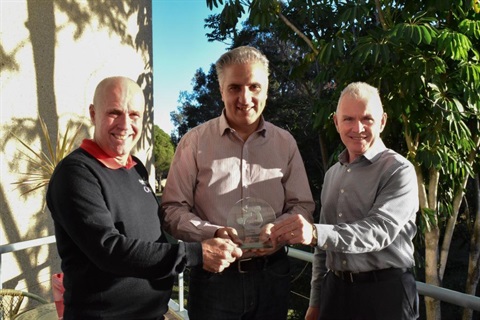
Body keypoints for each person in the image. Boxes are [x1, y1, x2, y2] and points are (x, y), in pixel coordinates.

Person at [46, 76, 242, 320]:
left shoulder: (136, 167)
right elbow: (108, 249)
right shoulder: (76, 173)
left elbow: (153, 235)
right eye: (115, 112)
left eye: (134, 115)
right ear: (93, 114)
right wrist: (197, 254)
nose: (125, 124)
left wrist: (210, 234)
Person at [161, 46, 315, 320]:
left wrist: (279, 230)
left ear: (266, 90)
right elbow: (172, 210)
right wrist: (212, 232)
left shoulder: (285, 143)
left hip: (273, 276)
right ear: (221, 90)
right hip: (214, 279)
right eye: (234, 87)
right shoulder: (194, 142)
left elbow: (301, 205)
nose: (245, 98)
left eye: (254, 86)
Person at [271, 82, 419, 320]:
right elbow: (322, 250)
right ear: (336, 122)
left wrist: (316, 233)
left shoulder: (399, 170)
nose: (357, 128)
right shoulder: (332, 174)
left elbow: (378, 230)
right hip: (335, 291)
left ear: (382, 122)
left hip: (385, 295)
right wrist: (316, 302)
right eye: (348, 119)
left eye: (367, 119)